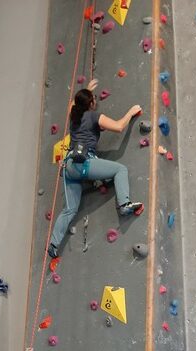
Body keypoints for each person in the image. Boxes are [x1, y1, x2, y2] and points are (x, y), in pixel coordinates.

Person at [48, 80, 143, 258]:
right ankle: (124, 204)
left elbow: (72, 104)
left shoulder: (74, 115)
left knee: (70, 209)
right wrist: (131, 111)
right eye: (94, 99)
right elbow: (119, 127)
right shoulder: (93, 116)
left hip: (69, 167)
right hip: (84, 164)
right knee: (120, 170)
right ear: (91, 103)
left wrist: (87, 91)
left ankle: (53, 245)